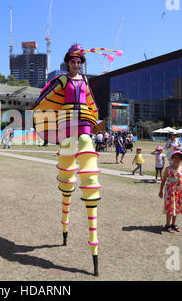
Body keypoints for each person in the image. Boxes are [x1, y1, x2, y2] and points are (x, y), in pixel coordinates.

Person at [31, 43, 120, 276]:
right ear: (67, 62)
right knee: (67, 168)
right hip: (66, 124)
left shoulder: (86, 81)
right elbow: (44, 96)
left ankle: (91, 234)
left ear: (81, 63)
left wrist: (95, 118)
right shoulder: (61, 80)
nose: (76, 64)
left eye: (79, 61)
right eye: (72, 60)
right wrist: (41, 110)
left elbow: (91, 103)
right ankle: (65, 223)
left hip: (83, 123)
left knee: (86, 144)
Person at [158, 151, 182, 233]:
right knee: (170, 207)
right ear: (172, 159)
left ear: (181, 159)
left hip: (179, 191)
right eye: (175, 157)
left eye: (179, 158)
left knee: (177, 207)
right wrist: (160, 191)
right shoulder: (168, 169)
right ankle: (167, 225)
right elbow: (163, 180)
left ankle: (173, 224)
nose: (177, 159)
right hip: (170, 191)